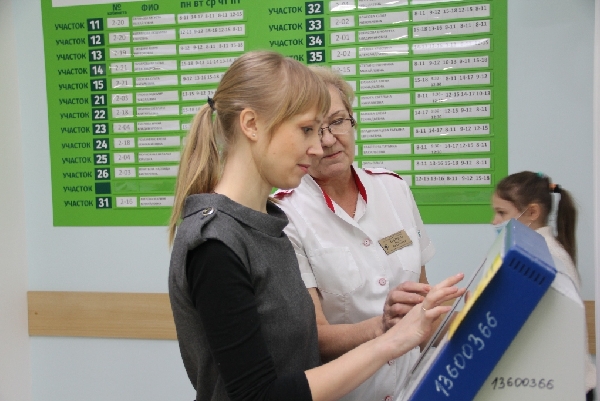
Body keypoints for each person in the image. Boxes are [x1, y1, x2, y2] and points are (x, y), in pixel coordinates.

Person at [167, 51, 465, 401]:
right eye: (307, 129)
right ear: (251, 125)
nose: (318, 146)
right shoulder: (215, 242)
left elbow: (294, 357)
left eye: (335, 123)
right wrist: (389, 341)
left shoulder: (265, 223)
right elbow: (258, 396)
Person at [274, 66, 437, 401]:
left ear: (353, 121)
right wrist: (383, 327)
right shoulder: (284, 214)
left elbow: (422, 298)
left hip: (413, 388)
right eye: (312, 129)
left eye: (337, 121)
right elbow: (313, 337)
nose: (328, 140)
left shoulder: (394, 189)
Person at [491, 171, 596, 401]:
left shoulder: (542, 256)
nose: (494, 221)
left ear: (532, 212)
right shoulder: (538, 250)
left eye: (501, 213)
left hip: (564, 388)